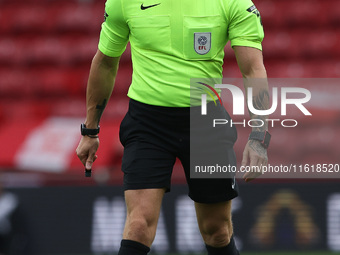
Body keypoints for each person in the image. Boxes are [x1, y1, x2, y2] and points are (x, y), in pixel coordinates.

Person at [76, 0, 270, 254]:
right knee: (138, 226)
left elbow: (253, 69)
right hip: (148, 123)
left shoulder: (232, 3)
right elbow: (104, 63)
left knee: (217, 230)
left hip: (206, 123)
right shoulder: (124, 2)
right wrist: (90, 131)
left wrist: (259, 135)